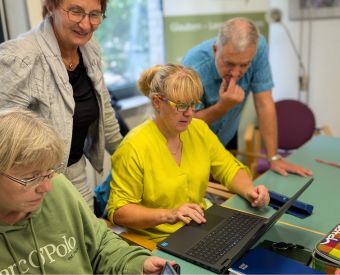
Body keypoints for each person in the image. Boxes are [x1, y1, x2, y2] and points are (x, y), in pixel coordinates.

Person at [107, 64, 270, 243]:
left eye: (193, 104)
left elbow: (229, 168)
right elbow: (120, 212)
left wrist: (251, 192)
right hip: (158, 240)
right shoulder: (133, 147)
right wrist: (169, 215)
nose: (190, 113)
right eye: (181, 105)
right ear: (156, 102)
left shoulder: (198, 129)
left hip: (199, 225)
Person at [0, 108, 171, 274]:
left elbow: (101, 245)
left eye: (48, 173)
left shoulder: (58, 187)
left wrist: (138, 265)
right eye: (32, 177)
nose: (46, 187)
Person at [0, 0, 122, 209]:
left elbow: (105, 114)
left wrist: (132, 158)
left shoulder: (89, 48)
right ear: (50, 7)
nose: (86, 24)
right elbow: (4, 139)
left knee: (88, 238)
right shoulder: (19, 57)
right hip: (29, 187)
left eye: (95, 14)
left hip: (75, 174)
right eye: (76, 12)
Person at [182, 17, 312, 177]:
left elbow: (264, 103)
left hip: (227, 138)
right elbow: (186, 123)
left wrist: (273, 157)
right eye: (229, 63)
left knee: (228, 193)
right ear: (216, 50)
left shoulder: (258, 48)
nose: (236, 73)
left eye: (244, 65)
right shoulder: (192, 67)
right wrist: (222, 107)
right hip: (192, 145)